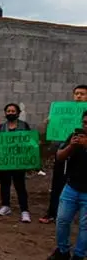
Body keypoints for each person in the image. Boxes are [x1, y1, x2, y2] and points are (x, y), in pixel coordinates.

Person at [46, 110, 87, 260]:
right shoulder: (74, 137)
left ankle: (78, 256)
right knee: (62, 220)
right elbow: (59, 157)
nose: (86, 126)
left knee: (85, 226)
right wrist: (71, 146)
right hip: (71, 187)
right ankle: (63, 250)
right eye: (84, 122)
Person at [40, 84, 87, 224]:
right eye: (76, 93)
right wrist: (49, 124)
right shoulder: (63, 111)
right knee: (58, 183)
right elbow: (49, 136)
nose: (78, 96)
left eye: (82, 94)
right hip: (65, 150)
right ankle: (53, 212)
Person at [0, 104, 32, 223]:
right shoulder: (1, 127)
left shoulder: (24, 126)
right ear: (5, 113)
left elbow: (30, 141)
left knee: (20, 186)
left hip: (18, 162)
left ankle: (24, 211)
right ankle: (5, 206)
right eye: (8, 111)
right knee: (4, 184)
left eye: (13, 111)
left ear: (18, 113)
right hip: (4, 162)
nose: (10, 113)